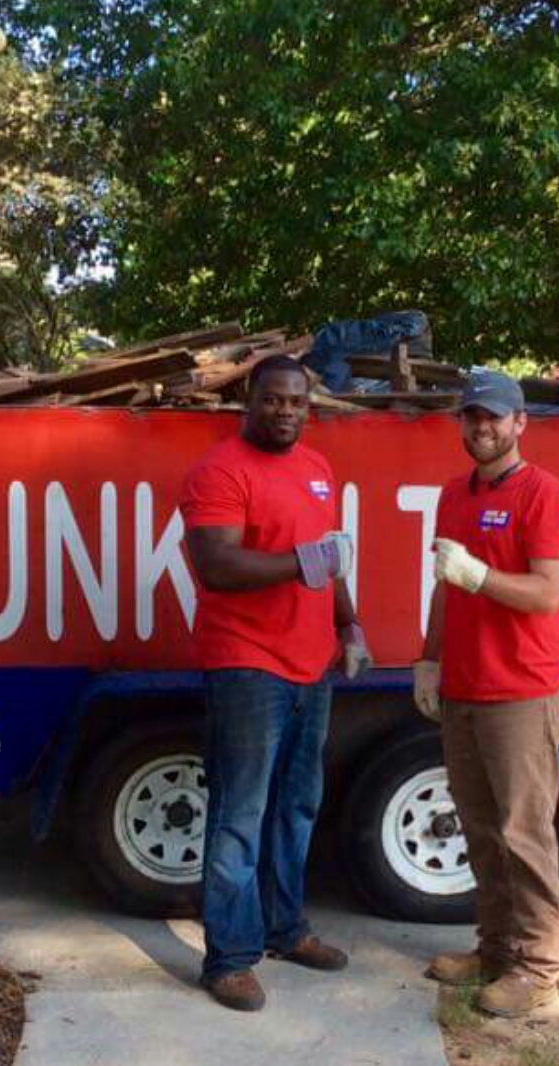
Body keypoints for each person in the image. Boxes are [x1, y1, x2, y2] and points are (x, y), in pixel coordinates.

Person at [180, 355, 371, 1012]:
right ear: (249, 399)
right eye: (273, 400)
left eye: (296, 402)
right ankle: (229, 959)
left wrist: (349, 625)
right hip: (246, 664)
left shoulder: (316, 468)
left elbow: (329, 560)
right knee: (239, 815)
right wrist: (301, 561)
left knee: (296, 806)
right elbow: (216, 564)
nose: (285, 411)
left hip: (312, 663)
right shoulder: (220, 471)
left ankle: (285, 930)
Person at [414, 370, 559, 1018]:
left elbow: (547, 592)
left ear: (520, 423)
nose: (483, 426)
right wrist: (429, 660)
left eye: (495, 416)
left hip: (521, 692)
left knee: (523, 834)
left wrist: (479, 575)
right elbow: (444, 587)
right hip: (463, 686)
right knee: (481, 831)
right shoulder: (453, 495)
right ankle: (495, 950)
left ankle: (538, 966)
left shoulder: (546, 496)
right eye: (472, 416)